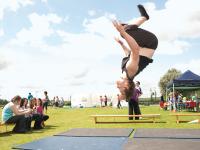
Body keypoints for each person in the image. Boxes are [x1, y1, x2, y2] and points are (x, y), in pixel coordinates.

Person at [113, 4, 158, 100]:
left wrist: (122, 44)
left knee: (124, 30)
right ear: (127, 86)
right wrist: (123, 33)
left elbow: (128, 54)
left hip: (144, 45)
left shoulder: (125, 72)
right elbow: (135, 50)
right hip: (149, 43)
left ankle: (142, 18)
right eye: (120, 89)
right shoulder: (131, 70)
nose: (117, 87)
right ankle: (144, 17)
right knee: (125, 31)